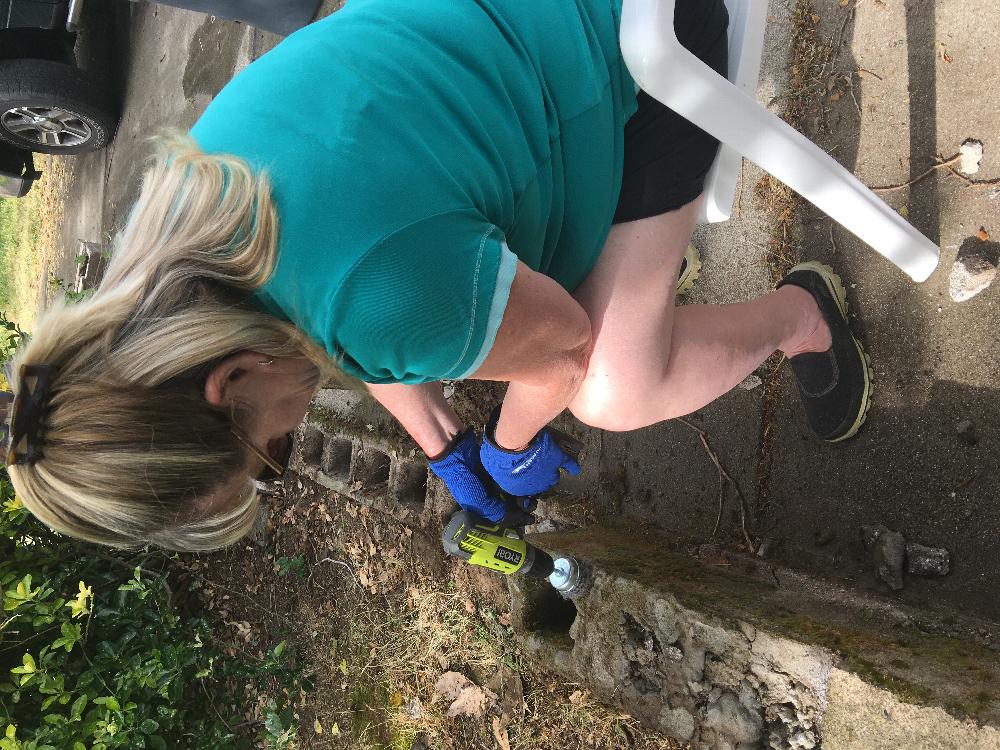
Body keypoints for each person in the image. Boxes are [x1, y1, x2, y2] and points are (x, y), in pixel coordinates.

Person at [5, 0, 870, 551]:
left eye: (270, 458)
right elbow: (337, 314)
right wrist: (443, 447)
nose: (287, 452)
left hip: (640, 44)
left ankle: (804, 314)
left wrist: (510, 445)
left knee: (615, 390)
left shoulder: (369, 300)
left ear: (227, 379)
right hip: (504, 27)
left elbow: (560, 350)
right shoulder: (174, 228)